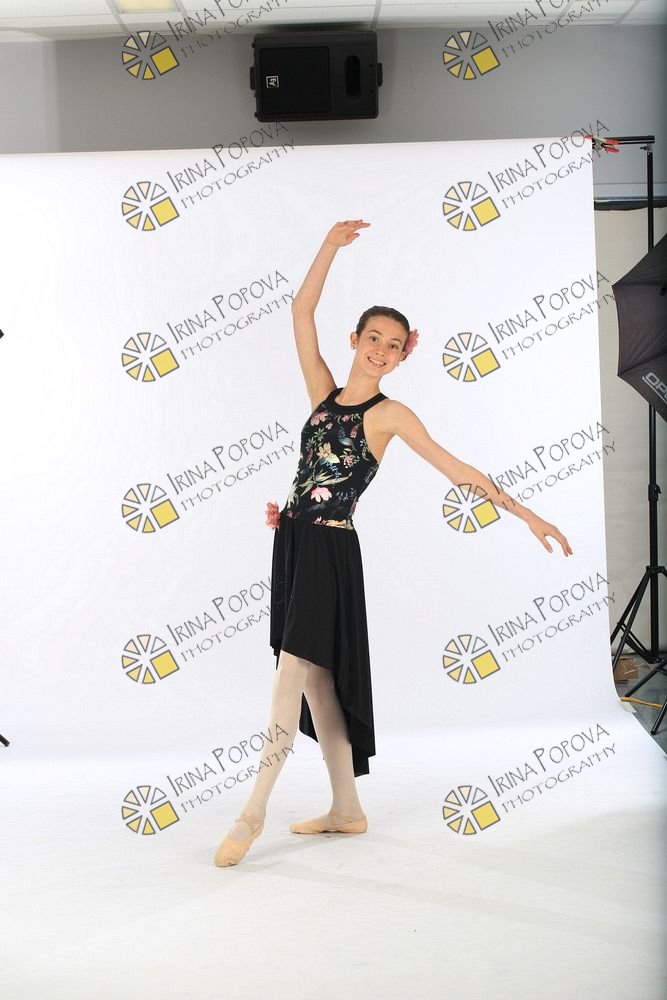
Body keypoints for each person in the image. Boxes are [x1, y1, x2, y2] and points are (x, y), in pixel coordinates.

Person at [214, 219, 573, 867]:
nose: (381, 350)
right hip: (294, 545)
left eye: (395, 345)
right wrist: (328, 246)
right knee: (319, 685)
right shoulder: (322, 393)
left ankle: (252, 812)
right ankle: (346, 810)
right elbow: (300, 312)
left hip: (329, 552)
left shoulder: (390, 415)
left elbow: (458, 469)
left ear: (406, 355)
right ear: (354, 340)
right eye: (373, 338)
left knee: (290, 675)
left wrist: (525, 514)